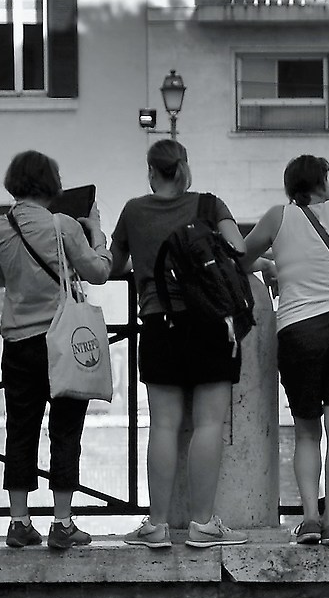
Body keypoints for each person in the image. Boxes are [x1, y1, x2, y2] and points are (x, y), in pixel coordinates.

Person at [107, 139, 251, 550]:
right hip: (210, 323)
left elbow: (113, 267)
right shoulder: (209, 205)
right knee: (208, 423)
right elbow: (238, 252)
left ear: (151, 171)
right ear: (185, 167)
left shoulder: (134, 211)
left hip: (158, 321)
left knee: (164, 425)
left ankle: (156, 526)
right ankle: (202, 525)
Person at [0, 150, 113, 554]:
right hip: (62, 342)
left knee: (20, 429)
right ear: (51, 184)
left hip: (18, 343)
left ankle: (19, 522)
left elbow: (0, 278)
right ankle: (62, 522)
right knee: (65, 431)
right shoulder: (63, 225)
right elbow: (99, 272)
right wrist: (99, 236)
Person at [240, 154, 329, 545]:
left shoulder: (277, 216)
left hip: (301, 329)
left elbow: (239, 260)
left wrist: (270, 264)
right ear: (322, 182)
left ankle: (310, 519)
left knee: (307, 432)